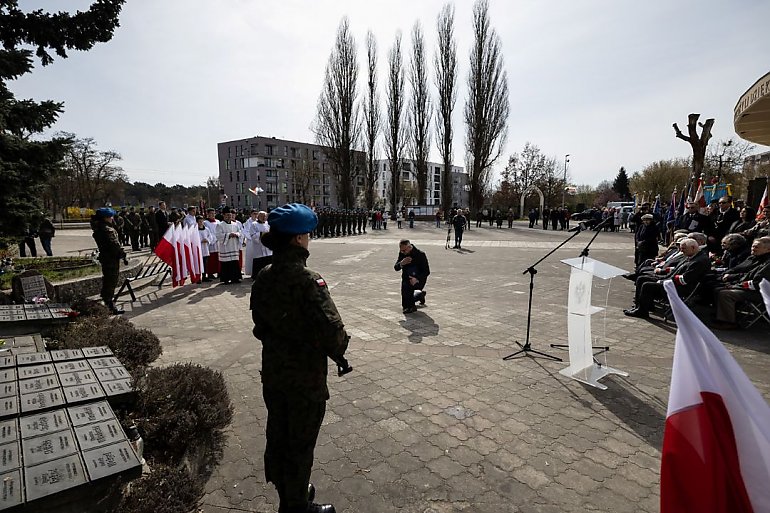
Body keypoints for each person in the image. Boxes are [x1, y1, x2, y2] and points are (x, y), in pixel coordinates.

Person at [250, 203, 348, 513]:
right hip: (304, 379)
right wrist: (336, 349)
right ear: (296, 240)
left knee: (278, 432)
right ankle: (295, 507)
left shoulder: (264, 275)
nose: (308, 240)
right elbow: (335, 335)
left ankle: (288, 490)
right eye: (306, 235)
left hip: (274, 374)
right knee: (301, 442)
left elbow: (259, 327)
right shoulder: (309, 280)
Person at [91, 208, 127, 315]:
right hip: (111, 259)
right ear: (106, 218)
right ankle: (110, 306)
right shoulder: (107, 230)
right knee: (111, 282)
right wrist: (122, 254)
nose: (112, 219)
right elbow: (114, 245)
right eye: (110, 217)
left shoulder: (98, 229)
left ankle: (107, 303)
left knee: (108, 281)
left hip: (105, 258)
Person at [394, 239, 430, 313]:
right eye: (401, 251)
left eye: (404, 250)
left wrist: (417, 279)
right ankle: (418, 296)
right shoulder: (402, 254)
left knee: (410, 297)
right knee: (406, 301)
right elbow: (396, 268)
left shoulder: (420, 254)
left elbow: (426, 271)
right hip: (407, 279)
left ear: (409, 247)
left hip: (418, 279)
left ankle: (418, 296)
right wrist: (401, 263)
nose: (402, 252)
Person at [215, 207, 242, 284]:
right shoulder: (220, 225)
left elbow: (240, 233)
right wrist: (228, 235)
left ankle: (235, 278)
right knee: (226, 263)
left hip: (233, 246)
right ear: (223, 215)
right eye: (227, 215)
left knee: (234, 262)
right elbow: (218, 235)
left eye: (230, 215)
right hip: (225, 247)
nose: (229, 217)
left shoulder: (235, 224)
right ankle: (226, 279)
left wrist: (236, 234)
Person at [246, 211, 272, 278]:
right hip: (259, 247)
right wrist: (261, 234)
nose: (264, 217)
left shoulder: (268, 224)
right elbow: (253, 235)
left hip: (267, 247)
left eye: (265, 216)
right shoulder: (254, 224)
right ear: (258, 216)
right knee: (259, 261)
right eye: (262, 216)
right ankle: (257, 276)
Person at [196, 215, 214, 282]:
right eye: (199, 221)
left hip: (205, 247)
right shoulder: (195, 230)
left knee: (205, 263)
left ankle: (204, 276)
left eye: (202, 221)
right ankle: (198, 277)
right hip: (199, 248)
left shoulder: (206, 229)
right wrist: (200, 240)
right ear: (197, 222)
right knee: (198, 263)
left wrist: (208, 240)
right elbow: (193, 238)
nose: (201, 222)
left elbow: (210, 236)